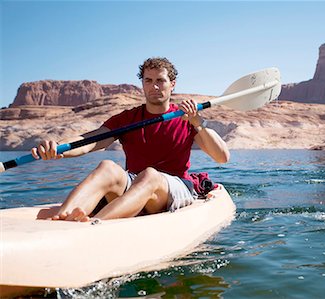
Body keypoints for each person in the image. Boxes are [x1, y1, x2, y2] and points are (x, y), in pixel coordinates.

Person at [32, 57, 230, 222]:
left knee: (150, 175)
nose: (154, 86)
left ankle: (95, 225)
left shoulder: (186, 118)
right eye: (148, 80)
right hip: (136, 185)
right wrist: (59, 148)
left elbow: (222, 157)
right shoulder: (127, 119)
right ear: (142, 84)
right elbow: (90, 140)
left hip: (176, 188)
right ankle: (61, 221)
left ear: (172, 85)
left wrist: (197, 122)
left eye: (160, 80)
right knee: (107, 167)